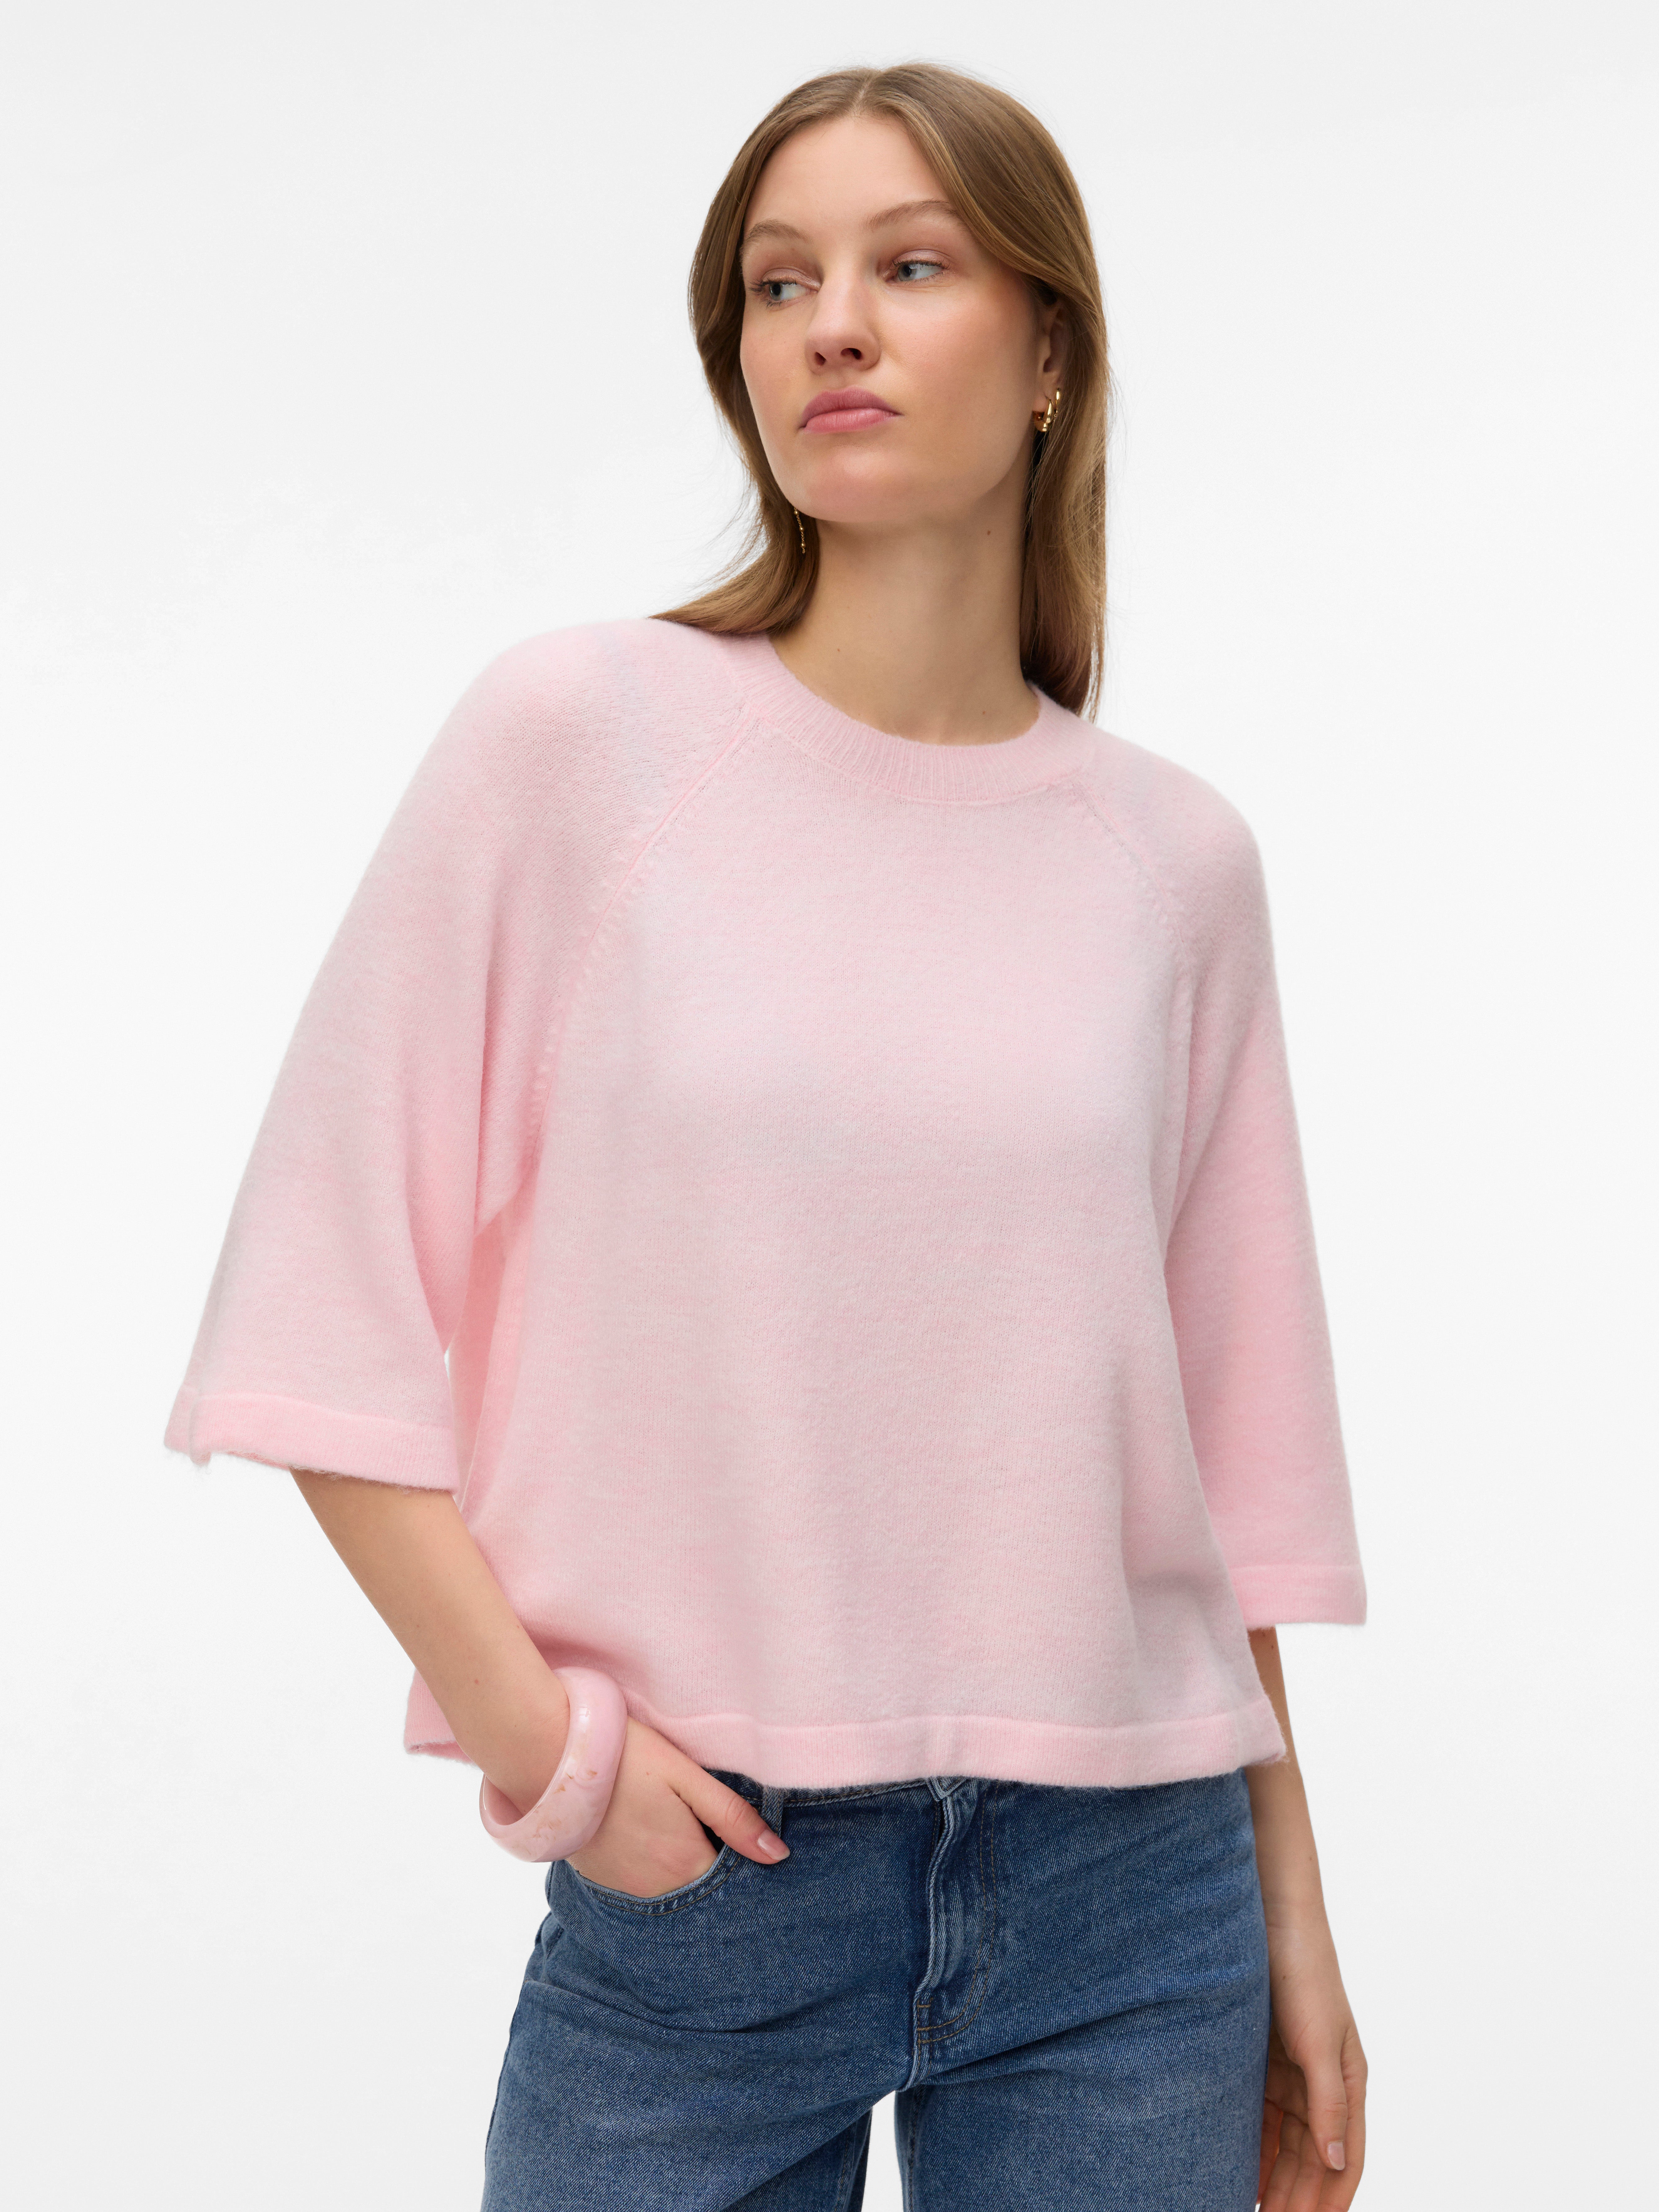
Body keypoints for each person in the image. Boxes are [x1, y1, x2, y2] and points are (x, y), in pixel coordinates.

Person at [163, 59, 1369, 2212]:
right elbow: (316, 1318)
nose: (832, 327)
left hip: (1134, 1904)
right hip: (705, 1879)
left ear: (1050, 356)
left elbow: (1218, 1478)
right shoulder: (581, 740)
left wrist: (1295, 1916)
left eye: (910, 266)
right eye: (779, 282)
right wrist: (547, 1753)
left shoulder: (1175, 865)